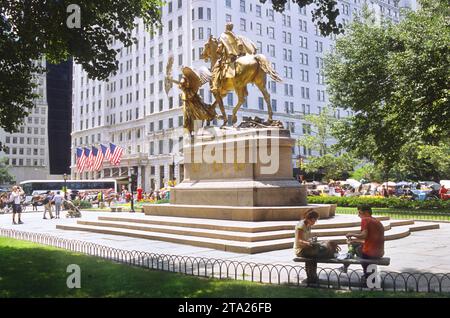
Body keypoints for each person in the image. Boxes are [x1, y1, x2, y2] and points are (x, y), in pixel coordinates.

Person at [341, 205, 385, 278]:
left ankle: (346, 266)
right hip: (379, 252)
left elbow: (364, 235)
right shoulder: (376, 221)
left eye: (359, 213)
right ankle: (366, 273)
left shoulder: (365, 220)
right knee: (355, 245)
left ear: (366, 212)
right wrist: (355, 241)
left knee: (354, 247)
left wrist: (351, 234)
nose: (358, 215)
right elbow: (371, 239)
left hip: (370, 254)